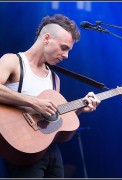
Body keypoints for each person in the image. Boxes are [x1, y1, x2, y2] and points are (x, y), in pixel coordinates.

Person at [0, 14, 101, 178]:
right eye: (64, 47)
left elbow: (53, 120)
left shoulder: (55, 79)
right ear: (47, 38)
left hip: (50, 151)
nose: (66, 55)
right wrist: (34, 102)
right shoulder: (13, 61)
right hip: (22, 150)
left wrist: (81, 108)